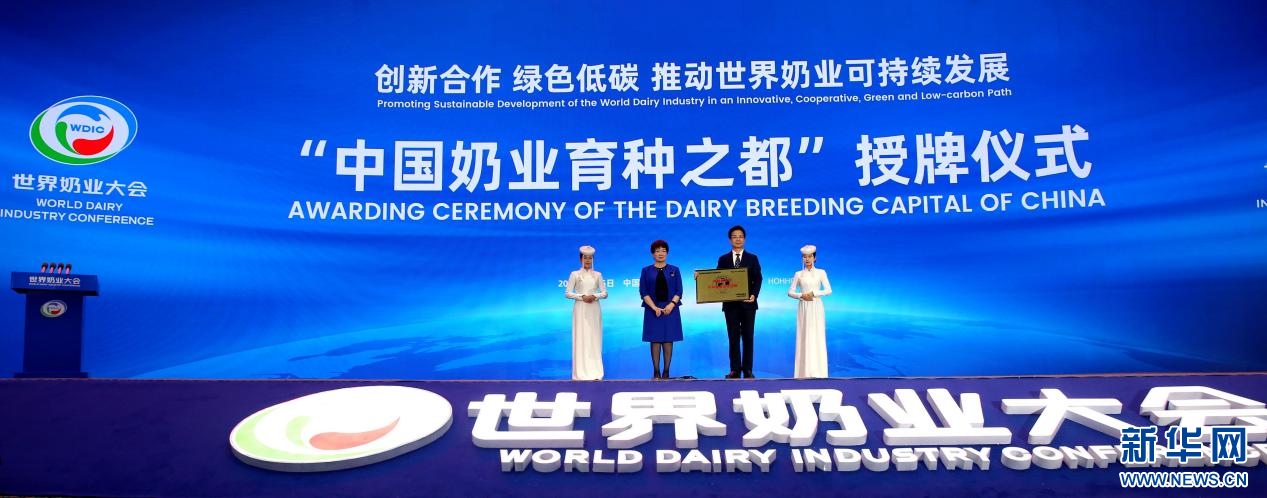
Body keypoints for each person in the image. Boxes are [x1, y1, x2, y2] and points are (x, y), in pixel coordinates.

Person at [717, 225, 761, 379]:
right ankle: (735, 370)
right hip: (730, 306)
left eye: (740, 236)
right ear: (730, 240)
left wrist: (754, 295)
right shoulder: (723, 259)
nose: (738, 239)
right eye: (734, 236)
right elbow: (717, 278)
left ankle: (748, 369)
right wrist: (700, 277)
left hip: (748, 305)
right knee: (733, 338)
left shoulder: (752, 258)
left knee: (748, 337)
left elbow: (758, 279)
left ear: (744, 239)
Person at [640, 240, 683, 380]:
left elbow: (679, 290)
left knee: (668, 339)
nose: (660, 253)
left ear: (667, 253)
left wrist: (671, 304)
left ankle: (666, 372)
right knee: (655, 340)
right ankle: (656, 372)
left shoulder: (674, 270)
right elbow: (643, 291)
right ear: (653, 254)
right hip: (653, 309)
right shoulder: (646, 271)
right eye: (657, 251)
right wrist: (653, 307)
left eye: (663, 250)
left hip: (670, 309)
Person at [787, 245, 832, 379]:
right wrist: (801, 295)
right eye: (804, 257)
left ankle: (819, 373)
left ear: (814, 258)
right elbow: (790, 292)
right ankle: (803, 373)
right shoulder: (798, 274)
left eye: (810, 256)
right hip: (804, 306)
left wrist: (814, 293)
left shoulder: (821, 273)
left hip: (816, 306)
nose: (807, 259)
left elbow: (828, 290)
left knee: (817, 335)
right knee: (804, 335)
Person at [564, 245, 607, 380]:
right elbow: (568, 293)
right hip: (580, 309)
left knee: (594, 338)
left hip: (594, 308)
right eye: (585, 258)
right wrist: (581, 296)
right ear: (580, 259)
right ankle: (581, 372)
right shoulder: (575, 274)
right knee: (581, 337)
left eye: (590, 258)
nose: (588, 260)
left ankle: (595, 372)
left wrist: (595, 296)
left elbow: (605, 293)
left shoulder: (598, 275)